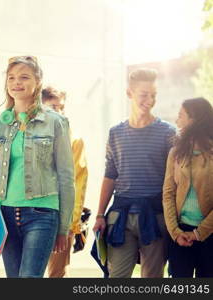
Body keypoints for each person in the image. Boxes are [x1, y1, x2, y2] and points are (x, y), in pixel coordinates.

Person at [0, 55, 75, 278]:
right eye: (11, 77)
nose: (16, 82)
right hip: (5, 214)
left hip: (42, 214)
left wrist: (64, 227)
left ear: (37, 82)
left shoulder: (55, 122)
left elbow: (66, 177)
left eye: (24, 77)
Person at [92, 68, 176, 278]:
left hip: (156, 217)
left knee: (152, 278)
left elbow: (175, 179)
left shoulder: (168, 133)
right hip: (121, 216)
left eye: (154, 95)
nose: (150, 100)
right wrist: (100, 214)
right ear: (129, 93)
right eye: (144, 95)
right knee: (117, 277)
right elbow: (110, 175)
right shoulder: (115, 133)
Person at [163, 97, 213, 278]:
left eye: (181, 116)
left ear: (194, 120)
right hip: (180, 235)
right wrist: (176, 233)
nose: (177, 121)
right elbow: (168, 194)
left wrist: (199, 233)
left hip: (209, 236)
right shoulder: (175, 153)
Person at [41, 86, 88, 278]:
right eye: (53, 107)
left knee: (57, 274)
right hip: (32, 215)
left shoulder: (74, 141)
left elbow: (79, 183)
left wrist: (71, 223)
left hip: (61, 218)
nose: (59, 112)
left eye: (62, 107)